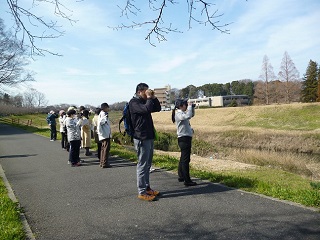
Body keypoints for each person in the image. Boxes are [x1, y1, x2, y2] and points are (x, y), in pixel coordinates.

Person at [129, 83, 161, 201]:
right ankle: (141, 191)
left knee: (148, 164)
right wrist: (148, 98)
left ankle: (147, 188)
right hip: (141, 137)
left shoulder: (144, 101)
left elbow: (157, 108)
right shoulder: (134, 103)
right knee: (142, 165)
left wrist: (153, 97)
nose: (147, 93)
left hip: (149, 136)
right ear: (139, 92)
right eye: (145, 91)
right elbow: (147, 109)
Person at [171, 99, 197, 186]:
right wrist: (190, 106)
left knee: (183, 158)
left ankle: (181, 176)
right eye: (185, 104)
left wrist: (192, 108)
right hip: (184, 138)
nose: (186, 105)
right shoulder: (179, 114)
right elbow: (187, 116)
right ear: (181, 106)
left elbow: (191, 115)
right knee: (185, 160)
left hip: (185, 138)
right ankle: (187, 180)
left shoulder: (181, 113)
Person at [97, 103, 112, 168]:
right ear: (105, 108)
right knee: (106, 149)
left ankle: (102, 162)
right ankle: (105, 163)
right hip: (105, 134)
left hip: (103, 134)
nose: (108, 108)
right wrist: (101, 132)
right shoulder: (104, 115)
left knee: (103, 149)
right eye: (108, 107)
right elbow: (101, 123)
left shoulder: (101, 114)